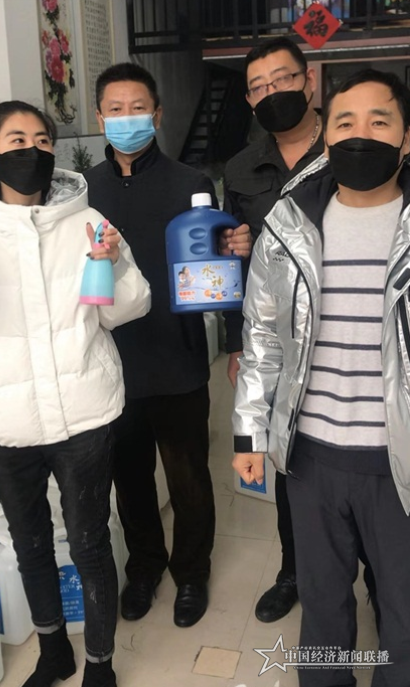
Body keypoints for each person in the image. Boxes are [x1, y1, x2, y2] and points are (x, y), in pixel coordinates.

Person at [0, 100, 151, 687]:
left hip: (83, 414)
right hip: (5, 417)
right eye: (17, 141)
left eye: (43, 140)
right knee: (30, 544)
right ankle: (52, 652)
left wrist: (114, 265)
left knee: (90, 544)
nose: (33, 151)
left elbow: (126, 308)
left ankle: (100, 664)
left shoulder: (87, 221)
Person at [232, 69, 410, 686]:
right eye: (345, 122)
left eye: (379, 121)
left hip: (398, 460)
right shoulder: (289, 226)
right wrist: (248, 435)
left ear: (406, 138)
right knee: (323, 604)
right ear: (326, 137)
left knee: (403, 609)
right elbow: (261, 339)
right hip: (311, 457)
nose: (361, 135)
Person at [85, 62, 249, 628]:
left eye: (138, 108)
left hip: (177, 356)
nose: (126, 118)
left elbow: (218, 269)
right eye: (115, 109)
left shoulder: (190, 183)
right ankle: (144, 568)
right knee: (129, 477)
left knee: (188, 476)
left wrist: (234, 337)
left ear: (156, 115)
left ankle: (192, 572)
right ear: (99, 117)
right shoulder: (84, 192)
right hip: (111, 360)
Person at [222, 36, 324, 624]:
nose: (271, 93)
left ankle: (379, 575)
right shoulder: (241, 168)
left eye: (282, 79)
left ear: (309, 80)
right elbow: (232, 263)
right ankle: (294, 569)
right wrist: (236, 345)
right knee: (288, 456)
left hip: (352, 331)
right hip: (278, 341)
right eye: (258, 87)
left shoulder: (348, 146)